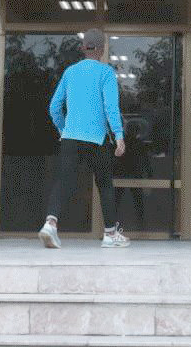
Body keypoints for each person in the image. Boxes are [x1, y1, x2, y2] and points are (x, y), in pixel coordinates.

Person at [38, 28, 130, 248]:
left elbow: (54, 107)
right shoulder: (106, 73)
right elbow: (110, 107)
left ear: (83, 48)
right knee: (104, 184)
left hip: (70, 138)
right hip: (97, 139)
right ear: (102, 49)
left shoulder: (70, 72)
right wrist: (118, 135)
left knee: (64, 180)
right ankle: (110, 235)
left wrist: (63, 129)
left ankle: (50, 224)